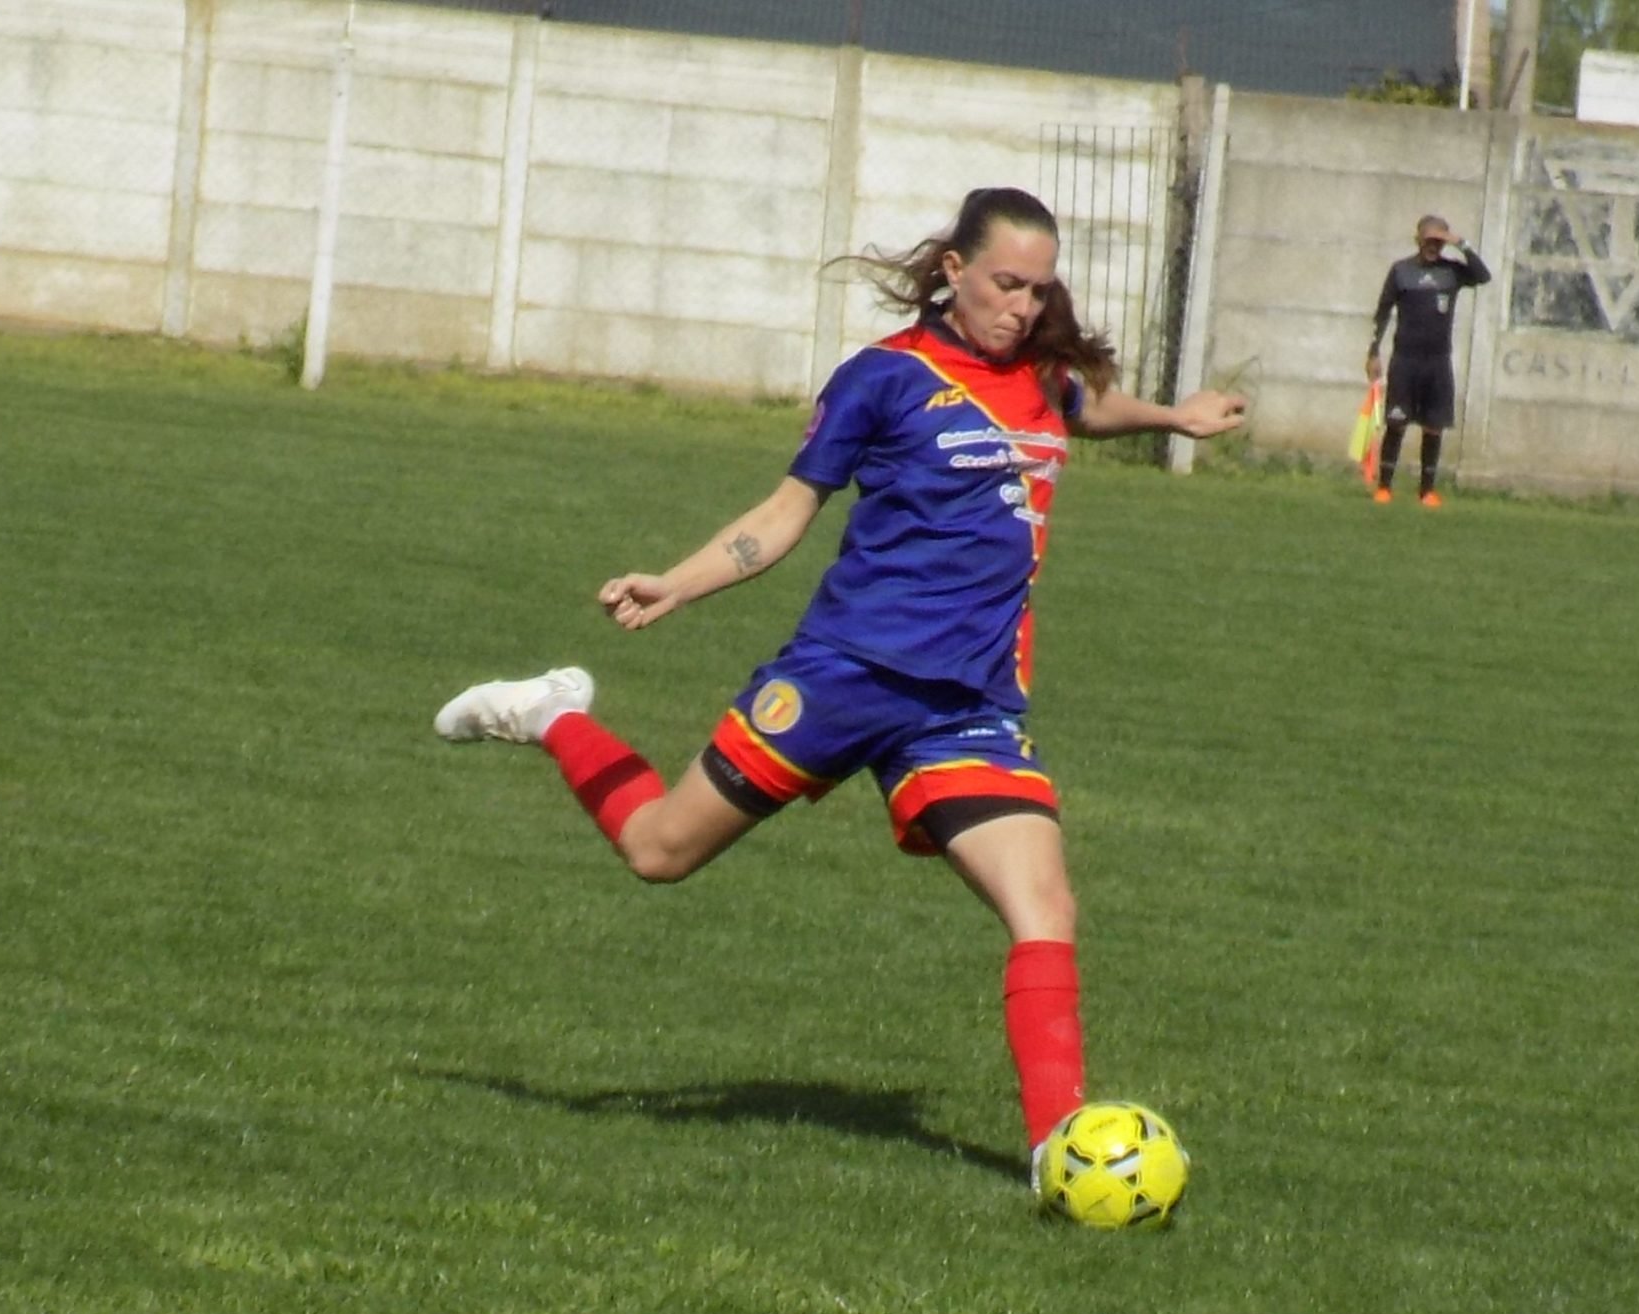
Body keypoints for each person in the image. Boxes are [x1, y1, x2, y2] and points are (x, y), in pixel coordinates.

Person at [432, 187, 1245, 1183]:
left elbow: (1087, 407)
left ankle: (1055, 1150)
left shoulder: (1042, 378)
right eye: (1005, 283)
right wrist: (675, 584)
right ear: (953, 269)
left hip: (966, 709)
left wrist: (1174, 415)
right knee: (658, 852)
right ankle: (551, 712)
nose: (1024, 307)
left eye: (1039, 289)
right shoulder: (883, 380)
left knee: (1046, 909)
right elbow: (783, 516)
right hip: (843, 678)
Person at [1364, 215, 1491, 507]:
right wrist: (1373, 352)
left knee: (1433, 426)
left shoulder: (1452, 272)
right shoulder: (1401, 271)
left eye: (1438, 241)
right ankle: (1384, 487)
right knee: (1396, 423)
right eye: (1428, 240)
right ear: (1417, 240)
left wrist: (1461, 243)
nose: (1433, 247)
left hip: (1437, 362)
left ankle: (1427, 491)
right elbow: (1382, 313)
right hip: (1405, 360)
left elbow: (1483, 276)